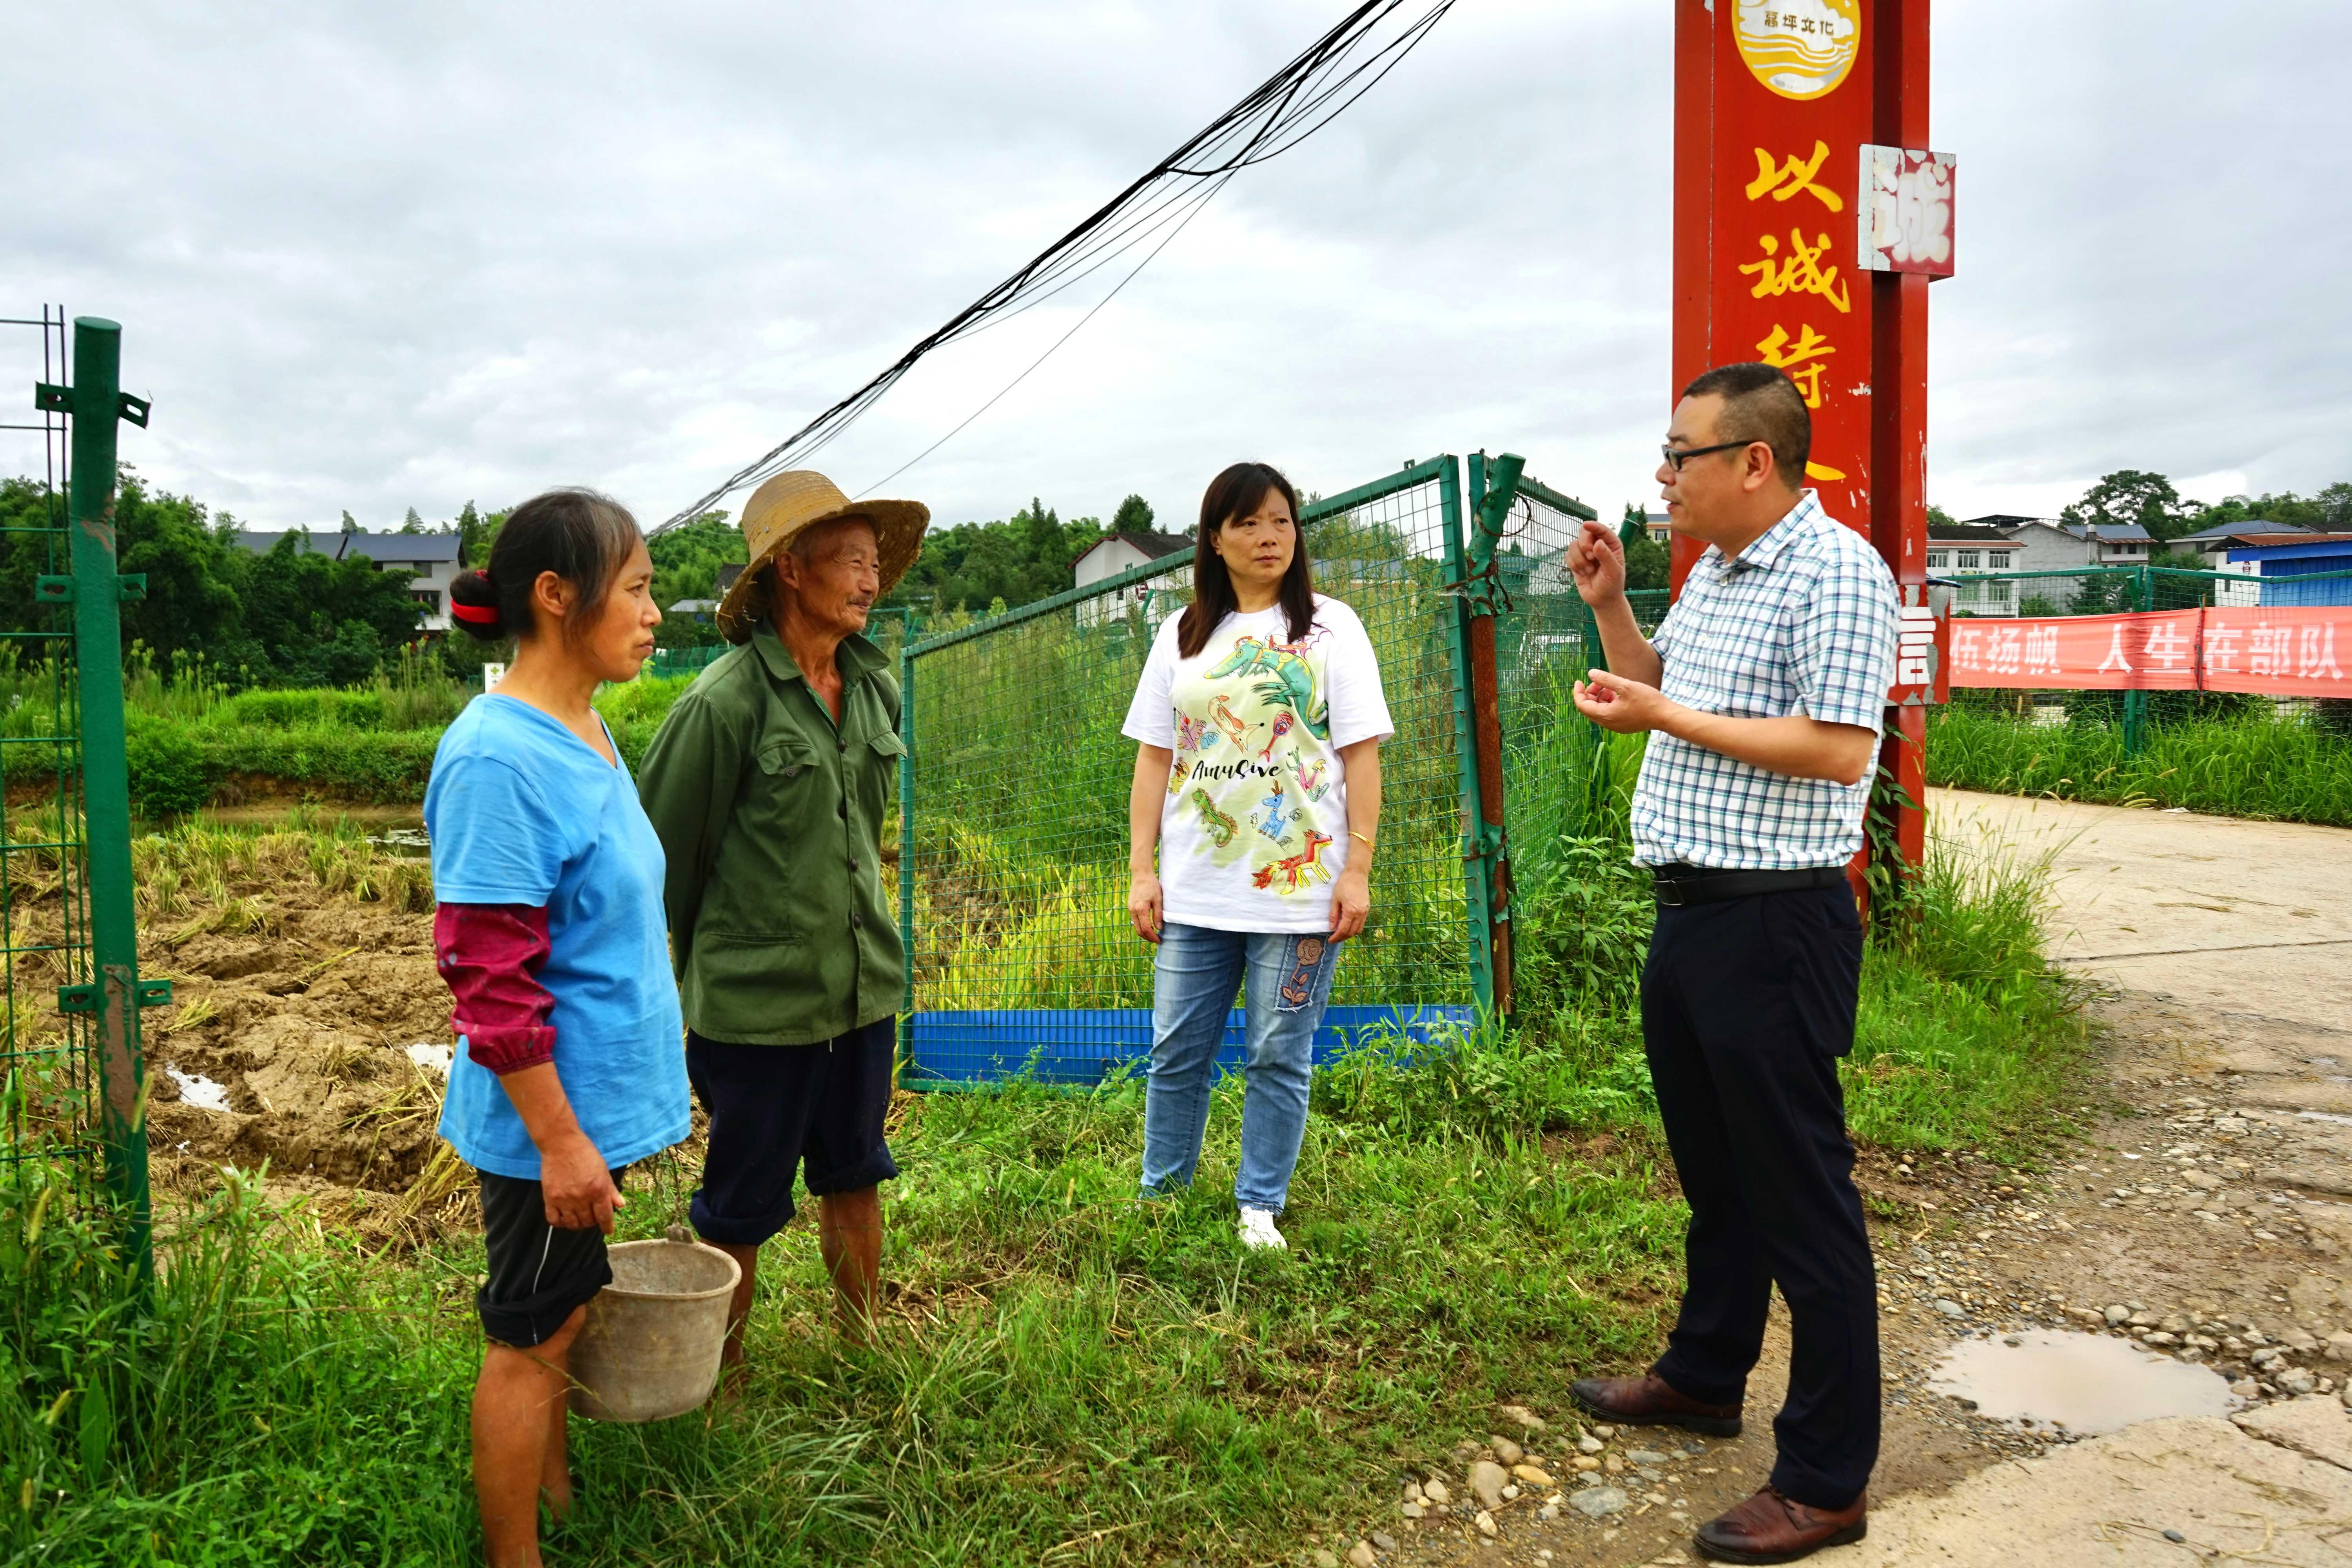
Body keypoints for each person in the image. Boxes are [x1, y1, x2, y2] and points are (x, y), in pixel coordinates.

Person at [1562, 363, 1898, 1563]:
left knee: (1803, 1198)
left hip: (1775, 923)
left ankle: (1825, 1477)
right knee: (1718, 1176)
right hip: (1696, 912)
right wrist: (1613, 615)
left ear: (1754, 461)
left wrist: (1667, 723)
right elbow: (1673, 688)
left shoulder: (1838, 573)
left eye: (1680, 455)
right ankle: (1706, 1378)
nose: (1663, 479)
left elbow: (1837, 750)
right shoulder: (1718, 573)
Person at [427, 489, 688, 1568]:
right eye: (635, 588)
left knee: (563, 1313)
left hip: (586, 1105)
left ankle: (560, 1499)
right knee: (529, 1341)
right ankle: (513, 1556)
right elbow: (488, 978)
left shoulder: (583, 728)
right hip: (550, 1118)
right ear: (554, 596)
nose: (655, 611)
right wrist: (560, 1140)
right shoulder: (498, 759)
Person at [637, 470, 927, 1363]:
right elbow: (660, 868)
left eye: (874, 563)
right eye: (850, 561)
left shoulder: (871, 689)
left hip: (858, 993)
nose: (870, 580)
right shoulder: (722, 703)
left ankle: (865, 1349)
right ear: (791, 571)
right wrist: (695, 983)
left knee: (857, 1176)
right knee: (741, 1206)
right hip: (757, 1010)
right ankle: (718, 1380)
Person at [1120, 461, 1393, 1251]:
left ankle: (1259, 1204)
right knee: (1177, 1049)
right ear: (1215, 539)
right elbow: (1152, 758)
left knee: (1280, 1050)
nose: (1268, 536)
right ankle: (1163, 1192)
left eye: (1280, 520)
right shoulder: (1182, 633)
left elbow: (1363, 754)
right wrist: (1143, 868)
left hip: (1301, 889)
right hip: (1197, 888)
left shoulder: (1331, 627)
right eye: (1247, 523)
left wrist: (1358, 867)